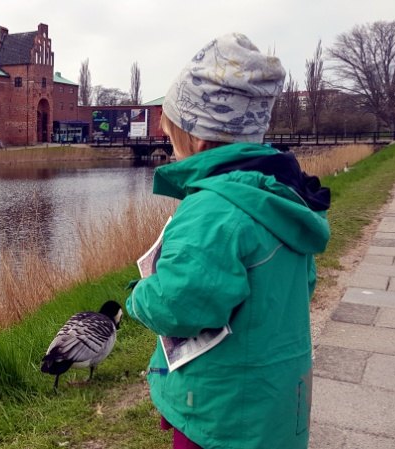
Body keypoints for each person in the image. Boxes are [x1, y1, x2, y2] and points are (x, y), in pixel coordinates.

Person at [126, 33, 330, 449]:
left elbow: (179, 306)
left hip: (220, 412)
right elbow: (304, 284)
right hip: (274, 403)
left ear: (198, 141)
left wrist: (140, 294)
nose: (171, 149)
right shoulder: (283, 199)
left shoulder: (212, 210)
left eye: (172, 137)